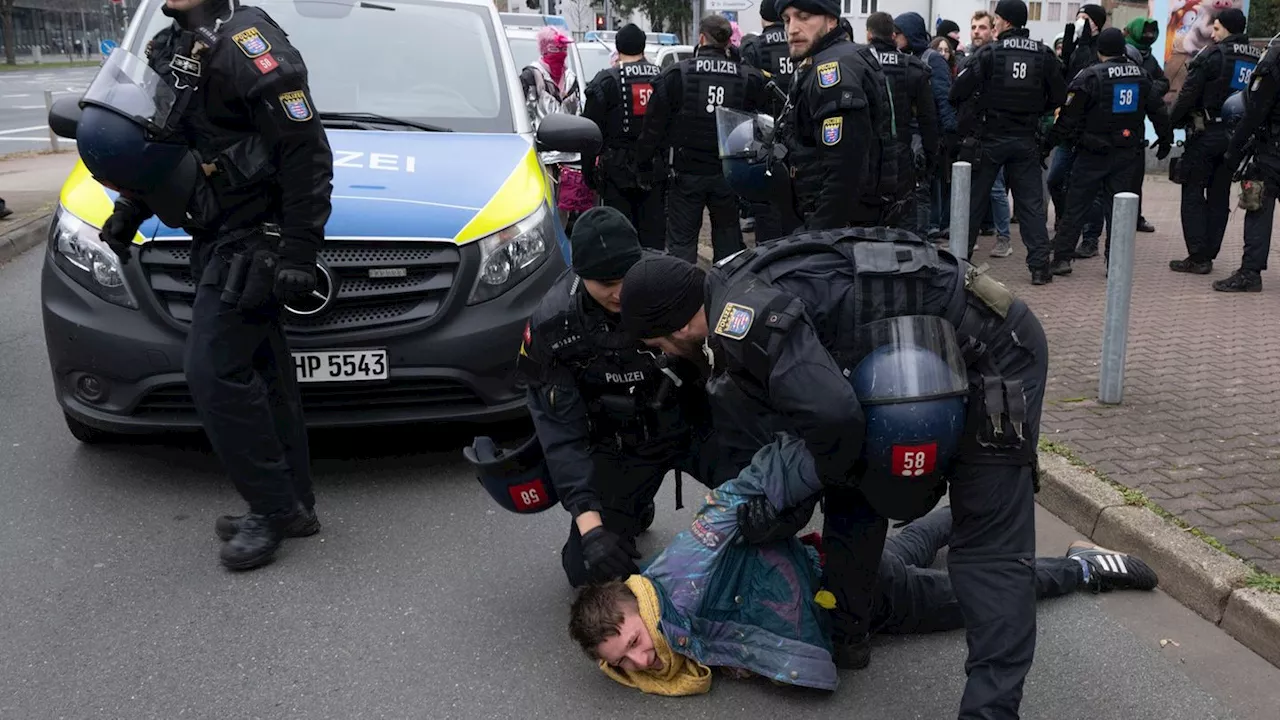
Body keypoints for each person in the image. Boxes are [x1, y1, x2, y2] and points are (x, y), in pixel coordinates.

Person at [619, 225, 1050, 717]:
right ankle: (850, 626)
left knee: (989, 549)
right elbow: (826, 428)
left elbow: (834, 418)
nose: (666, 356)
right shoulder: (727, 288)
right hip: (916, 362)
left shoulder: (740, 321)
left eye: (658, 344)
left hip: (994, 351)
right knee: (851, 473)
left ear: (674, 329)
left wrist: (793, 501)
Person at [569, 435, 1158, 696]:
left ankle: (1084, 568)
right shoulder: (664, 592)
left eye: (637, 641)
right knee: (911, 543)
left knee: (984, 595)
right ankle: (994, 501)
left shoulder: (683, 589)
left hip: (860, 599)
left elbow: (726, 509)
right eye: (627, 662)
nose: (646, 659)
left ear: (635, 602)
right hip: (839, 563)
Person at [87, 0, 332, 570]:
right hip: (215, 234)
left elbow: (306, 153)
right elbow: (164, 147)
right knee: (264, 372)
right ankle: (292, 504)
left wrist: (298, 249)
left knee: (212, 369)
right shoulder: (174, 48)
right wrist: (129, 211)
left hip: (258, 239)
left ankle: (270, 508)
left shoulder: (252, 46)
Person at [515, 207, 725, 588]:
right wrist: (590, 527)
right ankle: (632, 507)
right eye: (606, 282)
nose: (620, 292)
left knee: (773, 507)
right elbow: (559, 432)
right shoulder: (554, 324)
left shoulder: (674, 283)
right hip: (625, 448)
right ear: (581, 275)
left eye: (626, 276)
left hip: (696, 428)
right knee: (587, 569)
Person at [634, 15, 767, 263]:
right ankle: (725, 295)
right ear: (729, 42)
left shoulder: (676, 75)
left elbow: (652, 128)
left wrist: (644, 166)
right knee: (729, 246)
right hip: (728, 173)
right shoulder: (748, 77)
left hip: (686, 172)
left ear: (702, 38)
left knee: (681, 246)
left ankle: (683, 297)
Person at [950, 0, 1066, 285]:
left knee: (974, 202)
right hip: (1025, 139)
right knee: (1030, 206)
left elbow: (957, 92)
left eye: (996, 19)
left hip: (990, 138)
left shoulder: (988, 53)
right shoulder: (1045, 54)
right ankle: (1040, 268)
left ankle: (959, 263)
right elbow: (1059, 97)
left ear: (1003, 22)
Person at [1048, 28, 1173, 277]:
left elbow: (1068, 118)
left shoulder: (1090, 77)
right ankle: (1115, 263)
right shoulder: (1141, 76)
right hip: (1127, 154)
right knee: (1119, 211)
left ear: (1099, 50)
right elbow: (1158, 111)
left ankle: (1062, 259)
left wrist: (1047, 144)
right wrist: (1166, 140)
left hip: (1092, 152)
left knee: (1076, 205)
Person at [778, 0, 896, 229]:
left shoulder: (833, 70)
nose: (792, 29)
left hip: (839, 230)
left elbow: (845, 172)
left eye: (803, 17)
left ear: (831, 20)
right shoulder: (837, 56)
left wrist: (816, 233)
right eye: (787, 19)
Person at [1168, 8, 1262, 276]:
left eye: (1217, 27)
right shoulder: (1258, 58)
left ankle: (1198, 256)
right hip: (1238, 139)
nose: (1213, 32)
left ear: (1229, 29)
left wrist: (1169, 125)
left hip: (1207, 134)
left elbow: (1187, 96)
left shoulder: (1212, 55)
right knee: (1219, 195)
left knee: (1193, 191)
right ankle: (1209, 252)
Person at [581, 25, 666, 251]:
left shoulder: (606, 81)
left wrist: (588, 173)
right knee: (653, 239)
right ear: (643, 46)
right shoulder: (663, 77)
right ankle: (651, 279)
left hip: (615, 172)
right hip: (654, 170)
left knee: (619, 237)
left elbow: (589, 132)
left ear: (617, 49)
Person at [1213, 41, 1280, 293]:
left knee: (1257, 205)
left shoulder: (1275, 57)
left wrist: (1234, 149)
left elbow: (1255, 109)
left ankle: (1250, 273)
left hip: (1272, 151)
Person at [866, 11, 938, 235]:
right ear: (893, 35)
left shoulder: (857, 62)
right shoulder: (913, 68)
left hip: (867, 155)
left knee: (867, 219)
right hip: (901, 155)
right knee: (906, 219)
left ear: (869, 35)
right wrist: (931, 159)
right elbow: (928, 120)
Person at [520, 27, 592, 232]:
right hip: (542, 156)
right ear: (544, 49)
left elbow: (578, 113)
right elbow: (525, 114)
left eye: (562, 48)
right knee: (543, 208)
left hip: (569, 157)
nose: (559, 52)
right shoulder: (530, 76)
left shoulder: (571, 78)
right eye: (554, 48)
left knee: (565, 210)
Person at [896, 12, 957, 239]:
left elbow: (943, 98)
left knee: (921, 190)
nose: (895, 37)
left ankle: (921, 238)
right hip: (908, 133)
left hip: (924, 134)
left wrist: (949, 134)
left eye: (899, 33)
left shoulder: (932, 59)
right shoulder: (903, 57)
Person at [738, 0, 794, 241]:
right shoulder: (799, 40)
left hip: (766, 133)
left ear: (762, 17)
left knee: (768, 202)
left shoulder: (755, 47)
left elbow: (746, 90)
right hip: (800, 129)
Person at [967, 10, 1014, 258]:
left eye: (982, 27)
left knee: (995, 188)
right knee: (968, 185)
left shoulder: (997, 56)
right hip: (971, 131)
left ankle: (1004, 238)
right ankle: (968, 236)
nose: (977, 32)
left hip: (994, 133)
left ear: (993, 30)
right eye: (974, 27)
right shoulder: (967, 56)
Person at [1123, 17, 1169, 234]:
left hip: (1135, 127)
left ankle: (1134, 218)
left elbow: (1163, 82)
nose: (1149, 36)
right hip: (1109, 125)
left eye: (1152, 32)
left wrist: (1148, 90)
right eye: (1145, 32)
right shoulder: (1121, 53)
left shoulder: (1149, 59)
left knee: (1135, 178)